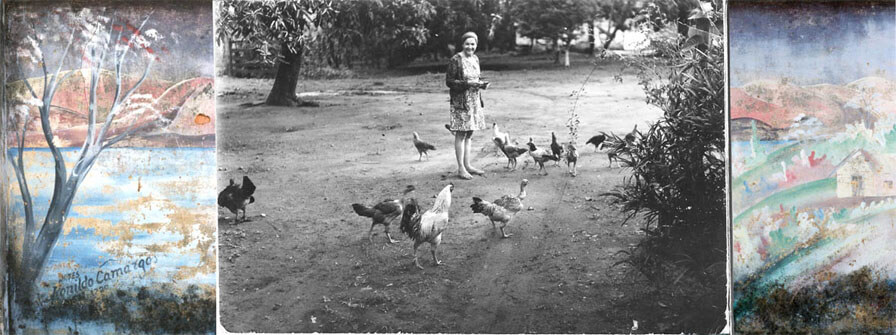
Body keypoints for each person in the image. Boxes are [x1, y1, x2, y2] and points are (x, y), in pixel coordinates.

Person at [445, 31, 489, 180]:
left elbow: (475, 77)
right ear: (462, 44)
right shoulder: (456, 59)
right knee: (461, 133)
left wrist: (481, 84)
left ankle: (468, 165)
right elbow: (449, 82)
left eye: (473, 44)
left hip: (474, 100)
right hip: (461, 101)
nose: (470, 47)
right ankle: (461, 168)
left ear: (476, 45)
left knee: (469, 133)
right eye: (467, 44)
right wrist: (467, 84)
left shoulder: (475, 58)